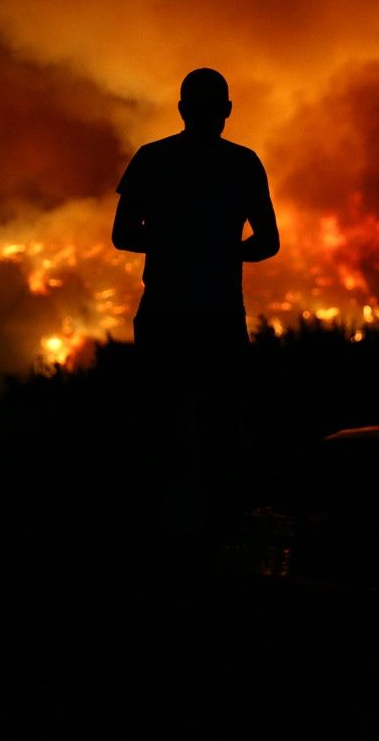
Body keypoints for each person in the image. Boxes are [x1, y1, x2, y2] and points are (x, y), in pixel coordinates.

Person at [112, 68, 280, 533]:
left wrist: (169, 242)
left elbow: (123, 235)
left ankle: (155, 528)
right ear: (226, 110)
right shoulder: (244, 163)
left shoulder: (151, 159)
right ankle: (219, 528)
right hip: (219, 314)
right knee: (220, 427)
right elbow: (268, 242)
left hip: (164, 313)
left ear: (182, 109)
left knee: (159, 423)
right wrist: (223, 249)